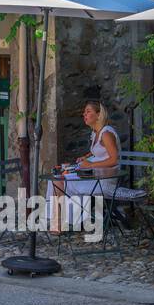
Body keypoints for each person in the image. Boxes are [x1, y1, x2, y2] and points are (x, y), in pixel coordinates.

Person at [49, 99, 121, 232]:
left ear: (99, 115)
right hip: (95, 177)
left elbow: (114, 159)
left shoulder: (106, 133)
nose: (84, 115)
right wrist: (87, 157)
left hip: (105, 181)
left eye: (88, 111)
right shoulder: (96, 133)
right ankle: (63, 221)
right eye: (84, 112)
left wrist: (90, 165)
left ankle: (59, 223)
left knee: (58, 180)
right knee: (57, 177)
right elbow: (99, 151)